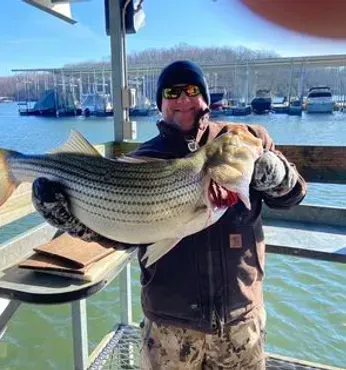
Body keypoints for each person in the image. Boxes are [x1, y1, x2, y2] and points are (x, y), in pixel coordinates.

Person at [32, 60, 307, 370]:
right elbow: (122, 235)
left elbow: (294, 195)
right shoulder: (142, 160)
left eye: (192, 90)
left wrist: (277, 174)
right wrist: (75, 224)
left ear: (205, 97)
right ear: (160, 104)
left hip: (239, 319)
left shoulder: (243, 140)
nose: (183, 99)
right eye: (172, 92)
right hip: (168, 325)